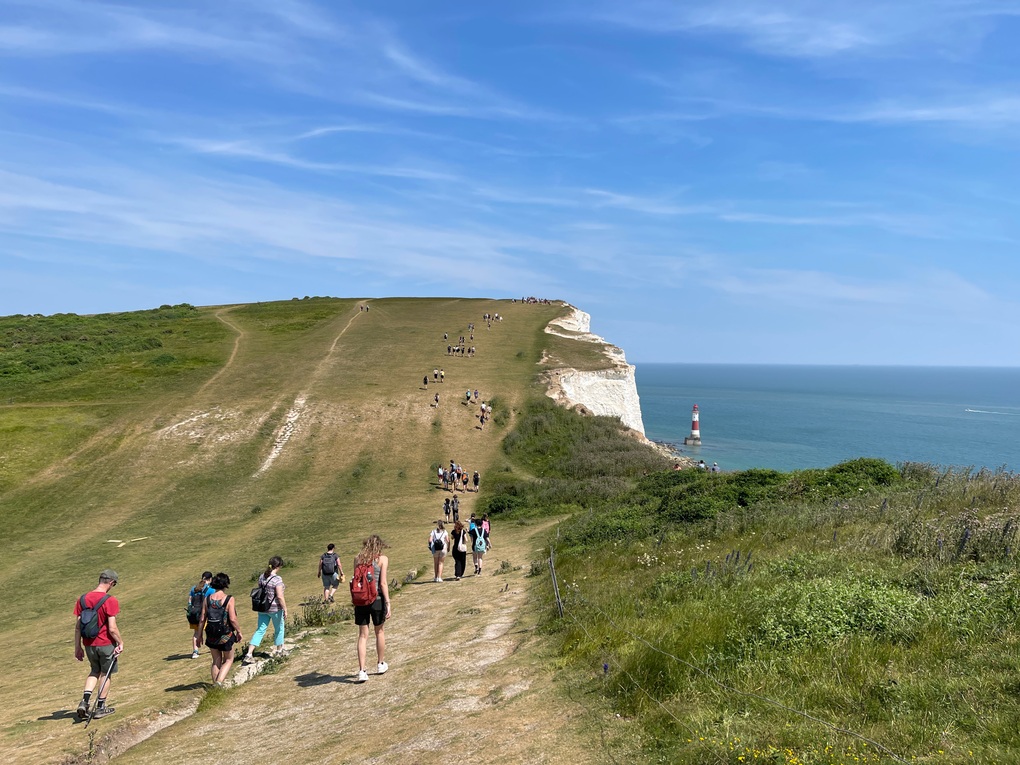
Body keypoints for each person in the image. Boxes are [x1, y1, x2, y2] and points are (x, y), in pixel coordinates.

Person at [74, 569, 123, 720]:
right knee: (106, 673)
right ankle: (101, 707)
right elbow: (112, 628)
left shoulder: (82, 599)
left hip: (89, 643)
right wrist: (120, 642)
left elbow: (77, 627)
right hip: (105, 643)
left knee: (94, 671)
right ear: (111, 583)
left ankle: (85, 701)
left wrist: (78, 647)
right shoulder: (110, 600)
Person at [353, 535, 390, 682]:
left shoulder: (357, 559)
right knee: (379, 631)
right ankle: (380, 663)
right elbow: (383, 583)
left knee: (362, 635)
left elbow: (355, 581)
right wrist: (388, 603)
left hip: (360, 600)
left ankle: (362, 670)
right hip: (377, 599)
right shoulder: (382, 560)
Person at [200, 572, 242, 687]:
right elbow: (232, 618)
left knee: (216, 660)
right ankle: (218, 683)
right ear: (225, 584)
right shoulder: (229, 599)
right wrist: (238, 631)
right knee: (228, 659)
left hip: (211, 633)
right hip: (225, 634)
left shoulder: (207, 599)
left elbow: (202, 619)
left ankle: (215, 685)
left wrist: (199, 635)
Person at [243, 556, 288, 664]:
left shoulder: (262, 576)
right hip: (275, 608)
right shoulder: (277, 579)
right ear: (278, 566)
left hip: (263, 608)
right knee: (279, 629)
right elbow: (280, 596)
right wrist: (285, 609)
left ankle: (249, 654)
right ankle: (279, 650)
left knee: (260, 630)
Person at [187, 571, 214, 658]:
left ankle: (195, 652)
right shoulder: (210, 590)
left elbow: (190, 600)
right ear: (210, 579)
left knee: (196, 633)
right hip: (204, 614)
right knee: (209, 632)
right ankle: (213, 649)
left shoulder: (194, 588)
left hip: (194, 614)